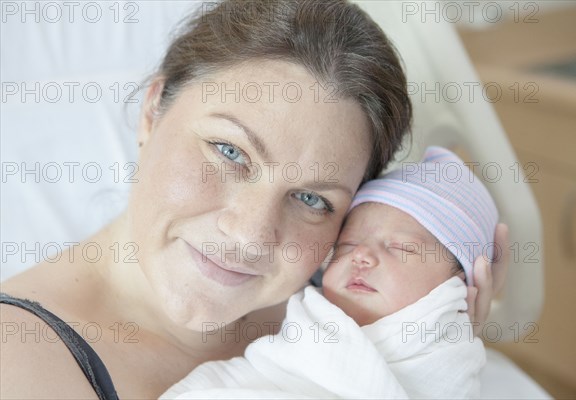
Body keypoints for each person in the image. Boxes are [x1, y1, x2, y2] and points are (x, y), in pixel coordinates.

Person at [0, 1, 508, 399]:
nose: (250, 234)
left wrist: (425, 351)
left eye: (311, 198)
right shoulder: (20, 363)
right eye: (229, 151)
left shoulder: (351, 301)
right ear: (152, 112)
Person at [160, 146, 497, 399]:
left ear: (456, 284)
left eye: (399, 248)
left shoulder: (446, 358)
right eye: (347, 246)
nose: (362, 256)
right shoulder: (304, 318)